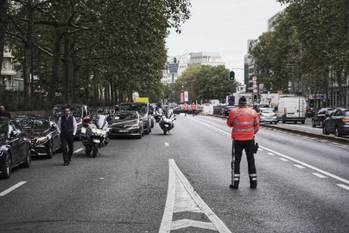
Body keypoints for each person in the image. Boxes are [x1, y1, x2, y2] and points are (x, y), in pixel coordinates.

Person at [227, 96, 259, 189]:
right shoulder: (253, 112)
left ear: (239, 103)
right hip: (250, 140)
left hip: (237, 141)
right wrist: (251, 133)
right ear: (246, 103)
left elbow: (229, 124)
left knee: (236, 161)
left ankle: (235, 184)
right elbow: (257, 126)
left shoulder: (234, 112)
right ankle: (253, 183)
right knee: (251, 161)